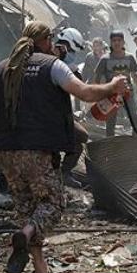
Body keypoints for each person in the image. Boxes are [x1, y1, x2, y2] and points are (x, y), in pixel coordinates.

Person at [0, 22, 129, 273]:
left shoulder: (4, 67)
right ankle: (26, 236)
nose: (53, 45)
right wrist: (111, 86)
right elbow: (84, 93)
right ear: (42, 41)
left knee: (28, 208)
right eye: (50, 39)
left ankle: (40, 268)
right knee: (53, 204)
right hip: (37, 151)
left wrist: (7, 125)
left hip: (7, 151)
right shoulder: (52, 66)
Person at [53, 28, 91, 187]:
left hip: (59, 113)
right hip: (46, 113)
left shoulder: (69, 67)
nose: (72, 55)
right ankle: (58, 174)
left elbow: (80, 88)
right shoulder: (51, 60)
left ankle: (64, 172)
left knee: (81, 136)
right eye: (71, 51)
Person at [95, 29, 137, 137]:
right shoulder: (105, 59)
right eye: (114, 41)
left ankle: (136, 142)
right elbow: (97, 78)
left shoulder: (130, 57)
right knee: (110, 123)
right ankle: (111, 147)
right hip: (111, 95)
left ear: (123, 42)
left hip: (128, 94)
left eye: (119, 40)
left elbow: (135, 75)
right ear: (110, 42)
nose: (117, 43)